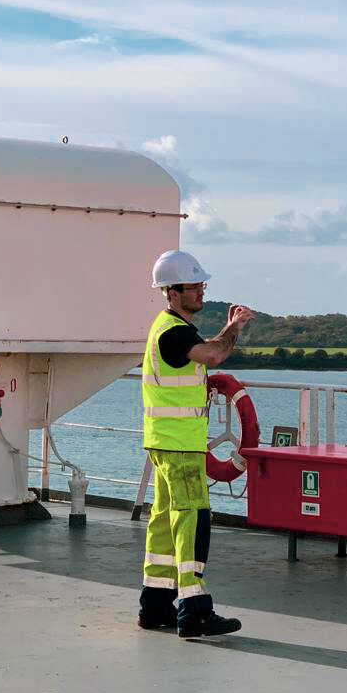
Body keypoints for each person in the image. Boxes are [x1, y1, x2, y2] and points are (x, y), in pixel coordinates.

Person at [138, 249, 255, 638]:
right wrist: (235, 325)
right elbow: (216, 354)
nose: (201, 291)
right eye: (194, 286)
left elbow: (203, 352)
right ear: (172, 292)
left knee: (164, 525)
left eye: (202, 284)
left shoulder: (169, 328)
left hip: (165, 445)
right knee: (193, 522)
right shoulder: (172, 332)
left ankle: (155, 606)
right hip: (180, 448)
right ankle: (194, 612)